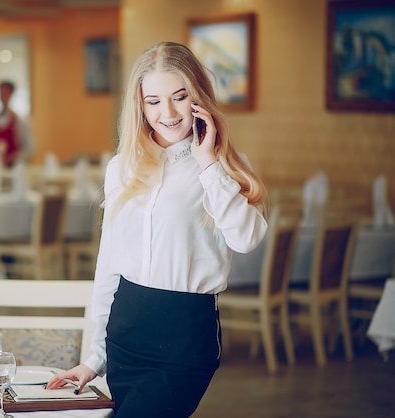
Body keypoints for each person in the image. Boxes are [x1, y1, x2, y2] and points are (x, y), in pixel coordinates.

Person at [46, 41, 268, 417]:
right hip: (126, 331)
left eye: (180, 97)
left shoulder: (224, 167)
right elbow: (109, 265)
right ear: (140, 105)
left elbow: (247, 239)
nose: (167, 112)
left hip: (184, 336)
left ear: (199, 98)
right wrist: (93, 358)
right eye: (153, 101)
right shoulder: (122, 167)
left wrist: (208, 164)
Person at [0, 80, 34, 167]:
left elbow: (31, 148)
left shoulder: (20, 121)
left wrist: (14, 157)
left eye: (6, 93)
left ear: (11, 95)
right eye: (1, 93)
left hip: (14, 168)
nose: (3, 96)